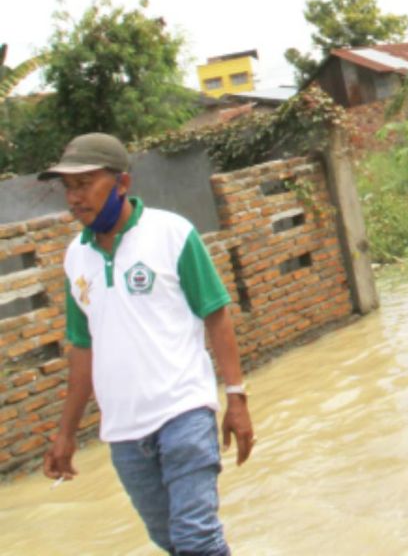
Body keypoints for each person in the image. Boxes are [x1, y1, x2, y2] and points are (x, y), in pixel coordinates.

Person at [41, 133, 254, 554]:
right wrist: (65, 433)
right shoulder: (75, 258)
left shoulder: (172, 234)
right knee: (170, 541)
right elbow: (83, 351)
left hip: (184, 412)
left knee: (196, 538)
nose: (74, 197)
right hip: (122, 431)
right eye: (68, 187)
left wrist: (236, 397)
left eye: (84, 183)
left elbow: (216, 315)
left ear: (121, 183)